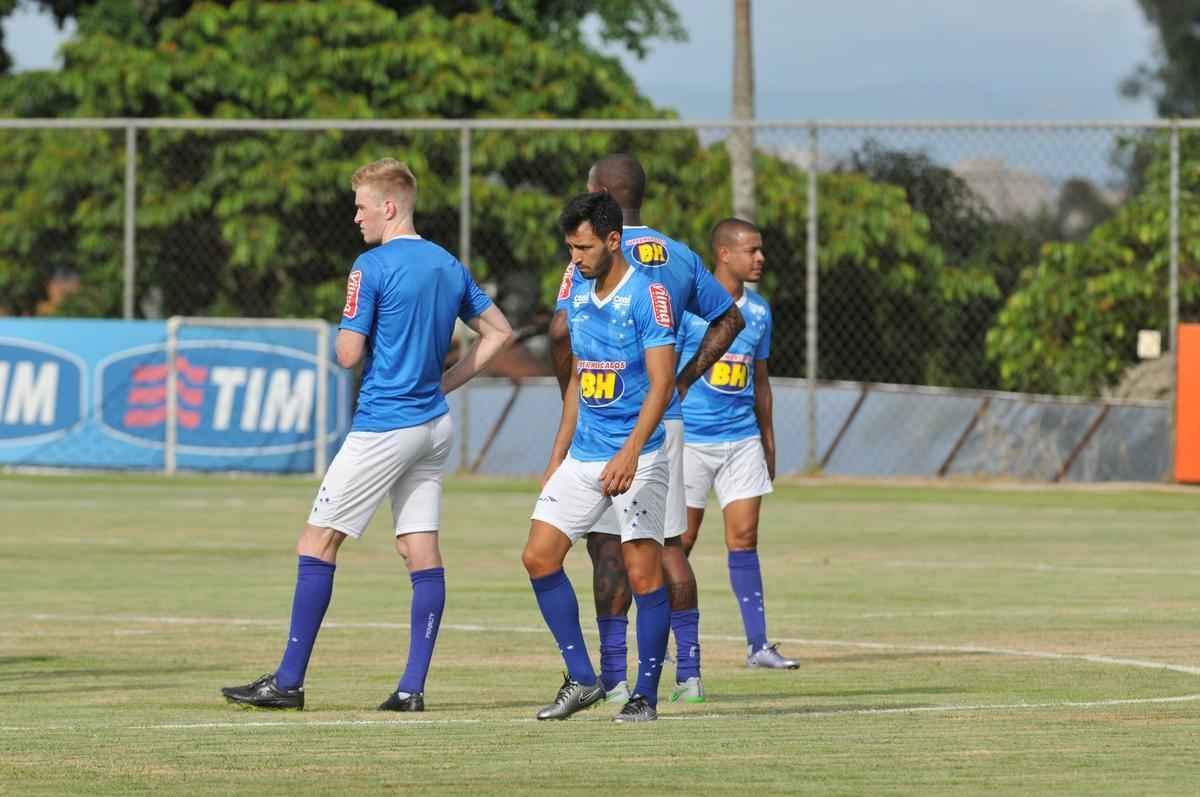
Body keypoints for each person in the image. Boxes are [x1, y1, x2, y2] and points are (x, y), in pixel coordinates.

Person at [221, 158, 513, 711]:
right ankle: (411, 689)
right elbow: (499, 331)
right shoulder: (448, 264)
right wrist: (447, 380)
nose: (355, 217)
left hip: (385, 423)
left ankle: (287, 682)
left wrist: (353, 333)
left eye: (360, 206)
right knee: (419, 548)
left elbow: (348, 352)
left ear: (389, 206)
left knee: (317, 542)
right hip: (432, 425)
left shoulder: (371, 266)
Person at [548, 155, 744, 705]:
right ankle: (690, 674)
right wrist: (681, 380)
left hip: (611, 422)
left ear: (599, 193)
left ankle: (613, 678)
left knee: (607, 549)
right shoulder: (678, 253)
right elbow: (731, 317)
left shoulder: (594, 255)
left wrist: (572, 395)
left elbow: (561, 328)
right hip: (668, 417)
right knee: (668, 548)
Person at [523, 191, 676, 723]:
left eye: (584, 247)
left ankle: (645, 696)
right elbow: (579, 382)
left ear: (614, 241)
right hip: (585, 454)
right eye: (570, 247)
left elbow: (661, 386)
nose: (576, 257)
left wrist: (632, 452)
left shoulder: (648, 296)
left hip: (641, 454)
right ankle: (584, 678)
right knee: (539, 557)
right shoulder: (577, 291)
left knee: (643, 575)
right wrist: (557, 455)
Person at [677, 218, 797, 670]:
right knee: (680, 542)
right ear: (724, 254)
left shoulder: (760, 310)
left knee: (744, 538)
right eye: (752, 250)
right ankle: (672, 639)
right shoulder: (689, 309)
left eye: (761, 250)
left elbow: (760, 381)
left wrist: (767, 440)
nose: (760, 258)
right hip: (691, 440)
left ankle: (758, 646)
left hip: (741, 438)